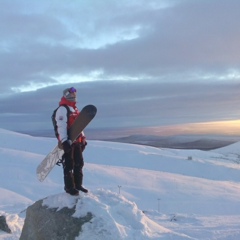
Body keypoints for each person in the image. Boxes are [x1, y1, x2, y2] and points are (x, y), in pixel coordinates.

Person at [55, 87, 88, 196]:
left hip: (77, 141)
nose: (74, 95)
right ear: (67, 95)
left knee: (79, 163)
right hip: (68, 142)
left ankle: (78, 185)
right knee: (69, 164)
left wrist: (83, 139)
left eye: (75, 93)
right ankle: (69, 187)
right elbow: (61, 126)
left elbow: (80, 126)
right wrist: (64, 141)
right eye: (72, 93)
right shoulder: (62, 109)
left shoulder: (75, 109)